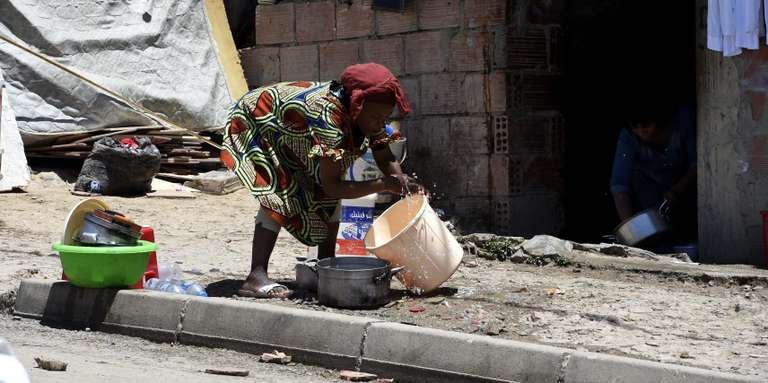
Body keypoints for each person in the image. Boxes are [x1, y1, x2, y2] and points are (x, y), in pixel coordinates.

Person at [220, 63, 425, 298]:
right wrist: (384, 184)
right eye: (377, 117)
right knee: (279, 194)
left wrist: (402, 180)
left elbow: (382, 153)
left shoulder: (369, 113)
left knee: (325, 194)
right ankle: (255, 277)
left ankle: (325, 268)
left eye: (386, 117)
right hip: (256, 122)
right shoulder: (329, 117)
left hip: (291, 129)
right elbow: (332, 186)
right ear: (357, 107)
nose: (381, 123)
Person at [610, 103, 697, 242]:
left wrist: (677, 190)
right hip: (650, 189)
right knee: (660, 236)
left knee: (690, 229)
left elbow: (698, 164)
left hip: (688, 185)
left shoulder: (683, 121)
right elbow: (619, 186)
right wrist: (633, 232)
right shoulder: (628, 136)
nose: (640, 132)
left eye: (646, 126)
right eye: (635, 128)